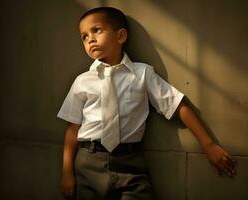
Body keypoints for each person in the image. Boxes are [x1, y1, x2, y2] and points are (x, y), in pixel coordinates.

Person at [57, 7, 236, 200]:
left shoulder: (142, 74)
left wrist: (208, 145)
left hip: (130, 164)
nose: (90, 39)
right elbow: (73, 128)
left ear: (121, 36)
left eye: (97, 30)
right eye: (84, 36)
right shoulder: (83, 81)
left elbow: (178, 105)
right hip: (88, 163)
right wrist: (67, 172)